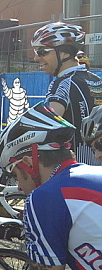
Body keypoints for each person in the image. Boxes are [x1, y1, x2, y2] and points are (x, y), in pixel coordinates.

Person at [0, 102, 102, 270]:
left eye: (14, 174)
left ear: (29, 163)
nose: (18, 186)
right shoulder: (93, 174)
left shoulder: (45, 197)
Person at [31, 22, 102, 165]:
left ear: (65, 53)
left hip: (77, 168)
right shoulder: (97, 80)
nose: (36, 58)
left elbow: (47, 127)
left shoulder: (62, 83)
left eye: (42, 52)